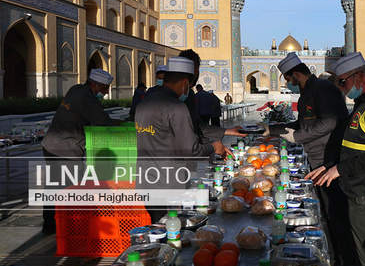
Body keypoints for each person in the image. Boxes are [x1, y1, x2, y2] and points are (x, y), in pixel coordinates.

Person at [308, 52, 365, 266]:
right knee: (356, 251)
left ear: (359, 77)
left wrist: (338, 169)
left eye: (342, 81)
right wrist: (328, 167)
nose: (340, 87)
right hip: (357, 189)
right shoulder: (363, 104)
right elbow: (352, 148)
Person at [271, 52, 356, 266]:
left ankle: (343, 257)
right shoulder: (308, 92)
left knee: (336, 213)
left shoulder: (323, 90)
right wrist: (272, 130)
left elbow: (330, 122)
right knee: (325, 211)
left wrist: (297, 137)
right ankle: (333, 253)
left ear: (297, 74)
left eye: (290, 80)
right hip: (317, 156)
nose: (290, 85)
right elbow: (304, 123)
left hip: (329, 159)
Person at [135, 57, 233, 222]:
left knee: (161, 229)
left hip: (146, 183)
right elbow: (191, 150)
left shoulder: (144, 104)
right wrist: (214, 146)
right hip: (169, 187)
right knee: (175, 232)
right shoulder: (176, 107)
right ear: (185, 83)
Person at [41, 68, 119, 233]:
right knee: (74, 189)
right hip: (65, 149)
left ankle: (49, 224)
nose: (105, 93)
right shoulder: (88, 98)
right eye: (104, 88)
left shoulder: (76, 89)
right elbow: (103, 123)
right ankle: (71, 228)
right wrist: (128, 124)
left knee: (54, 185)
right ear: (96, 84)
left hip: (50, 145)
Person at [177, 49, 244, 145]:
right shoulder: (165, 100)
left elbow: (197, 126)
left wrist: (228, 131)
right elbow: (182, 138)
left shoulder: (189, 94)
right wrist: (211, 148)